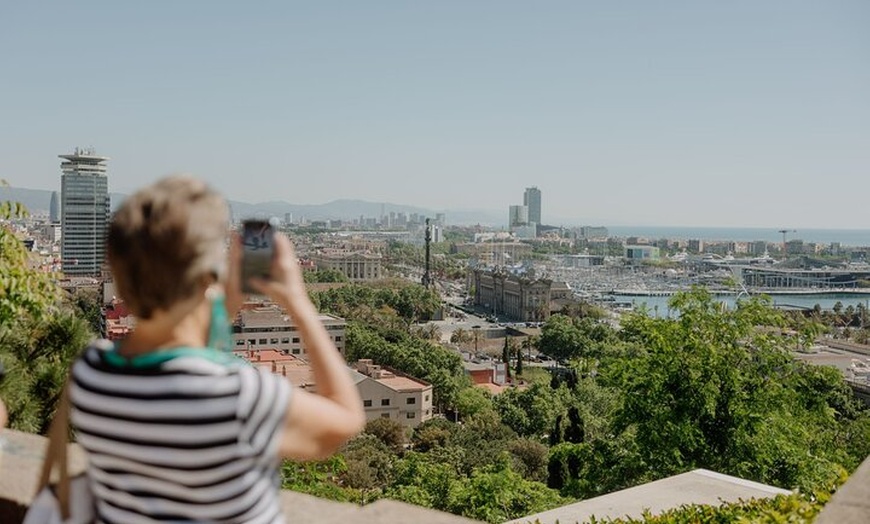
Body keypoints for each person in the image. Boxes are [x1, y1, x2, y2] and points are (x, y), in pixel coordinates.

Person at [69, 176, 364, 523]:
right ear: (208, 276)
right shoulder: (237, 394)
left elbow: (183, 354)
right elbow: (344, 421)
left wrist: (228, 292)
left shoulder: (90, 372)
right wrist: (299, 303)